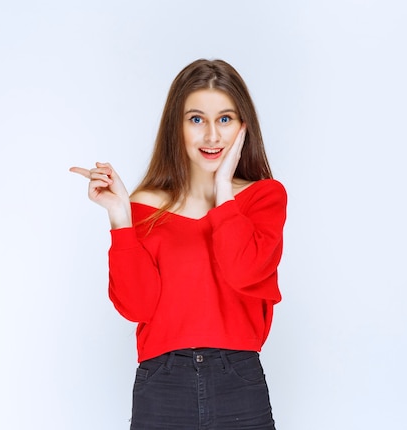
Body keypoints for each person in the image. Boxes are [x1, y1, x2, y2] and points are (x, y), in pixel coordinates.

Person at [70, 59, 286, 429]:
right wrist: (121, 216)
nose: (212, 136)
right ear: (177, 126)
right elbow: (137, 305)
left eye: (225, 119)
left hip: (238, 379)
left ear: (243, 127)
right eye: (197, 119)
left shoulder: (263, 198)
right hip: (162, 383)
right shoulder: (145, 206)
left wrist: (222, 192)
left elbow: (242, 269)